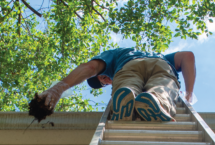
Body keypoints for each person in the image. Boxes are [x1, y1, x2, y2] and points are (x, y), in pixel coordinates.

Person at [37, 48, 196, 121]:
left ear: (104, 72)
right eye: (105, 83)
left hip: (128, 66)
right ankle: (153, 100)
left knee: (126, 84)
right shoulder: (158, 55)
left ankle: (134, 102)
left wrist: (58, 88)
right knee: (161, 87)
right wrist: (188, 93)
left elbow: (90, 67)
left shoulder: (116, 55)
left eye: (103, 78)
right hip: (161, 64)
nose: (107, 81)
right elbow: (187, 56)